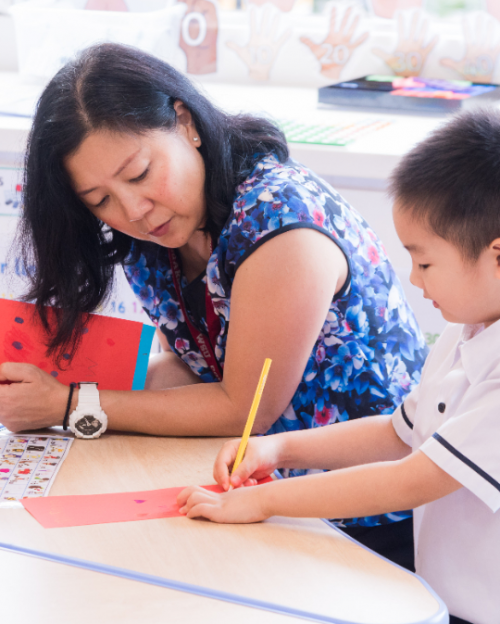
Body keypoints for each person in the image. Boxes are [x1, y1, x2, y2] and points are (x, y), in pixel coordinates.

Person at [0, 43, 426, 566]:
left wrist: (71, 405)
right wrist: (51, 389)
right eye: (101, 201)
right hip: (261, 493)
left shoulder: (279, 225)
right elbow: (201, 365)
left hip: (369, 516)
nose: (133, 209)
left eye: (138, 174)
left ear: (185, 124)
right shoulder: (156, 237)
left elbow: (242, 405)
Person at [178, 109, 500, 624]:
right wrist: (278, 447)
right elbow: (401, 433)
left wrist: (263, 502)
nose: (414, 281)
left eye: (425, 262)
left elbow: (411, 479)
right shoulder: (468, 329)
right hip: (440, 596)